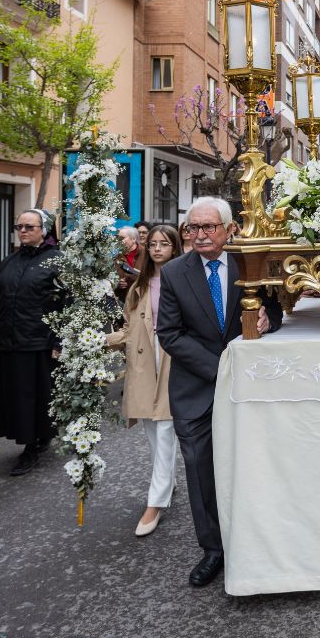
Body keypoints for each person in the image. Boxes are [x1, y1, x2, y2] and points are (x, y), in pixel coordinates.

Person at [157, 197, 283, 587]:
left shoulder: (252, 265)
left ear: (230, 230)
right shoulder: (176, 273)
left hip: (250, 389)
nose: (198, 235)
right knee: (201, 471)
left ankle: (260, 541)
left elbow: (276, 310)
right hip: (197, 388)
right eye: (192, 228)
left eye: (208, 227)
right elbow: (169, 333)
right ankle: (214, 550)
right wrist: (221, 370)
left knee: (255, 465)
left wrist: (268, 319)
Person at [106, 224, 183, 536]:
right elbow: (128, 328)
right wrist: (99, 341)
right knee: (153, 431)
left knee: (166, 429)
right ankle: (168, 481)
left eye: (164, 244)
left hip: (172, 361)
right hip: (142, 363)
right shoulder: (139, 285)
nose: (157, 249)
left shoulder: (183, 281)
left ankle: (156, 501)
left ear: (175, 248)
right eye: (152, 244)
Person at [0, 209, 66, 476]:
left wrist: (59, 341)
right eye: (18, 226)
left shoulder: (58, 261)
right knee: (15, 397)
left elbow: (67, 304)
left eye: (29, 227)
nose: (22, 231)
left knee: (32, 398)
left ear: (44, 230)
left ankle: (31, 446)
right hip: (7, 343)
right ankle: (38, 437)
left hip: (38, 343)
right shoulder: (9, 261)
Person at [115, 226, 140, 304]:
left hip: (141, 299)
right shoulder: (116, 257)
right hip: (124, 301)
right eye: (117, 238)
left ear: (133, 239)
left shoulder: (146, 254)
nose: (118, 241)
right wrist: (116, 284)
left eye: (122, 238)